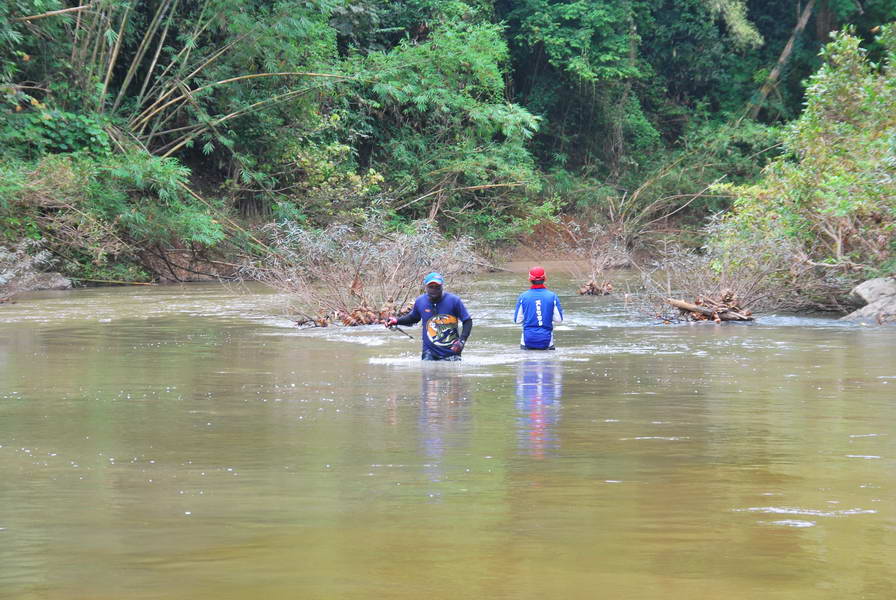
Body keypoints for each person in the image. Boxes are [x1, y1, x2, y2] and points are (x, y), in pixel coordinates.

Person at [384, 272, 472, 361]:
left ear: (442, 287)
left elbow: (467, 321)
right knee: (428, 372)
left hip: (452, 352)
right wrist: (396, 320)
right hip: (429, 352)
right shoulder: (420, 301)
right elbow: (413, 318)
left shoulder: (454, 301)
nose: (434, 290)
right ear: (425, 287)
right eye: (431, 287)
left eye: (437, 287)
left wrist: (461, 341)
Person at [514, 266, 563, 350]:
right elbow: (558, 320)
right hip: (547, 341)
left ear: (530, 279)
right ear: (545, 278)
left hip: (526, 341)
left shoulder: (523, 297)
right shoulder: (552, 296)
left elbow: (517, 320)